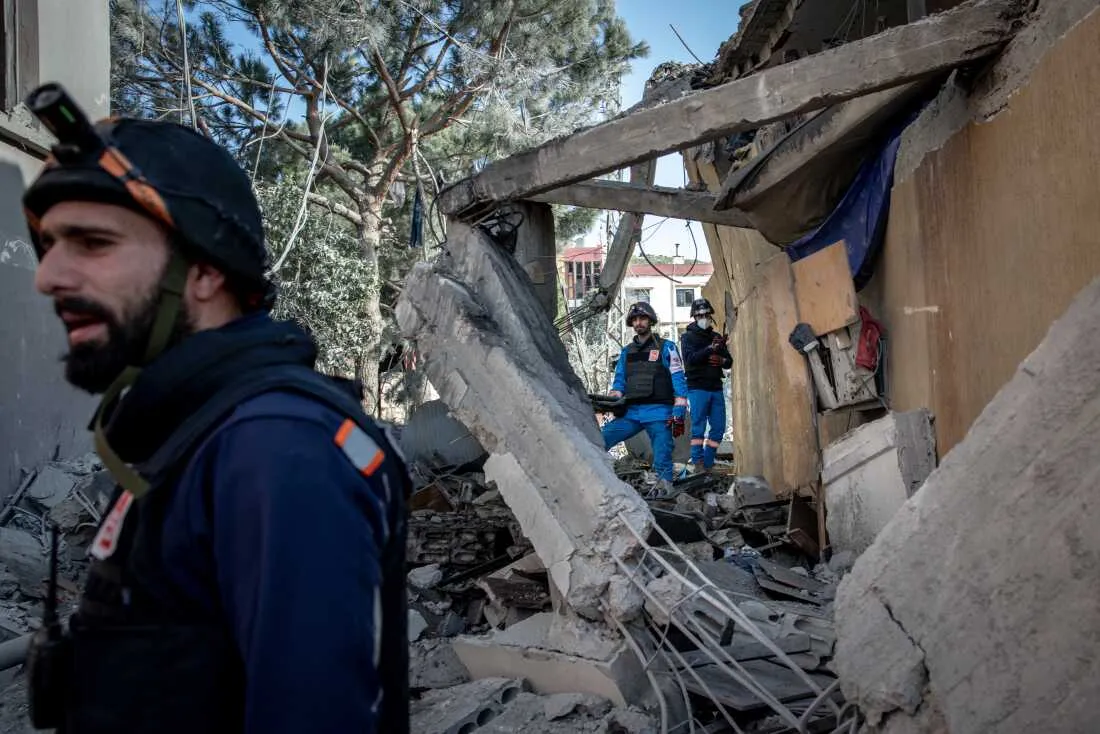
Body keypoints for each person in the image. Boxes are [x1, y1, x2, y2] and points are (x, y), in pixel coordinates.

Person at [20, 83, 409, 734]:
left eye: (92, 243)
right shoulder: (196, 433)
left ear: (204, 271)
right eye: (50, 244)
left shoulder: (277, 450)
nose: (47, 276)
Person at [602, 301, 689, 498]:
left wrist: (679, 409)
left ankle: (664, 489)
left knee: (662, 452)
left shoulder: (667, 347)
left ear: (650, 321)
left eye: (642, 319)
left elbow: (678, 379)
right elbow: (620, 381)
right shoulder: (627, 352)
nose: (638, 323)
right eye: (635, 320)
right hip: (632, 413)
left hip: (659, 412)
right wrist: (614, 395)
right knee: (600, 439)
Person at [679, 298, 732, 473]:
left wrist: (722, 360)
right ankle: (697, 463)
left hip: (716, 387)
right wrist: (710, 349)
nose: (703, 318)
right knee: (698, 428)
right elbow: (690, 360)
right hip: (697, 388)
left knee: (719, 428)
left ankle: (707, 462)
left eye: (706, 315)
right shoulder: (687, 337)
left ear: (711, 316)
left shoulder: (716, 337)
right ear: (694, 317)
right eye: (700, 315)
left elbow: (729, 362)